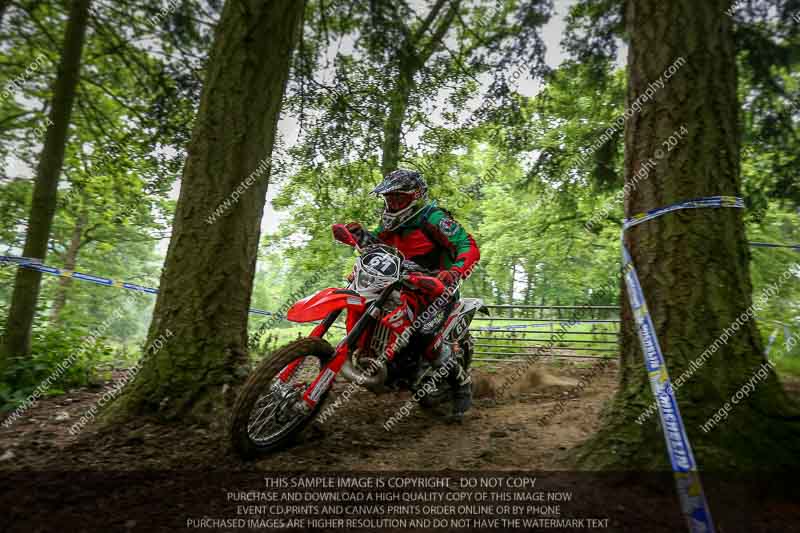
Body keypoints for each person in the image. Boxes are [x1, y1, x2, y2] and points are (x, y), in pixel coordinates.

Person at [345, 169, 480, 421]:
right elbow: (379, 248)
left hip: (437, 289)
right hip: (402, 284)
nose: (393, 203)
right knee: (362, 301)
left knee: (425, 335)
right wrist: (360, 236)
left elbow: (468, 245)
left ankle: (461, 385)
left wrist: (454, 272)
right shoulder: (390, 223)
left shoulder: (433, 217)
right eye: (390, 198)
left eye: (399, 198)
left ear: (415, 197)